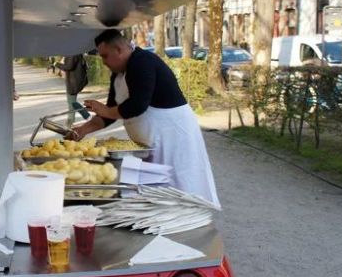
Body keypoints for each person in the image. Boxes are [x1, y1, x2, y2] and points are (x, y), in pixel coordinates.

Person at [71, 29, 219, 206]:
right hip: (149, 143)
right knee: (156, 191)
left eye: (105, 56)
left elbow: (136, 106)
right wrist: (83, 130)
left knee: (180, 186)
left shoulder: (142, 62)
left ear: (119, 49)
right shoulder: (118, 73)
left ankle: (190, 220)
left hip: (173, 138)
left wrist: (105, 110)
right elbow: (110, 112)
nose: (103, 62)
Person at [55, 54, 89, 127]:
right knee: (71, 102)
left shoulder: (72, 54)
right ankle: (71, 121)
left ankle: (82, 117)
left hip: (73, 81)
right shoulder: (76, 52)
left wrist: (56, 64)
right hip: (75, 80)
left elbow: (68, 66)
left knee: (71, 102)